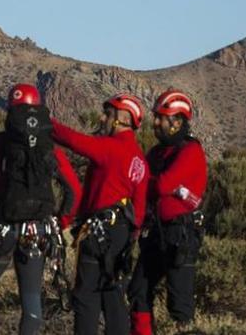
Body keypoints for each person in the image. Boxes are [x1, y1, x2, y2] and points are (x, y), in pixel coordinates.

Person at [0, 83, 82, 335]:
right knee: (31, 302)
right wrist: (60, 223)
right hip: (36, 232)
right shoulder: (50, 148)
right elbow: (75, 190)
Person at [51, 94, 149, 335]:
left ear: (121, 119)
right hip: (122, 235)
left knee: (86, 298)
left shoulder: (110, 148)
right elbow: (140, 208)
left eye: (108, 114)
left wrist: (43, 121)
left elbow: (73, 140)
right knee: (114, 296)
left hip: (98, 233)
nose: (102, 118)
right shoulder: (139, 160)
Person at [127, 89, 208, 335]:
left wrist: (147, 182)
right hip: (156, 232)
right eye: (157, 117)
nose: (157, 123)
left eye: (162, 117)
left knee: (179, 303)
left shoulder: (191, 151)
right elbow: (148, 185)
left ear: (177, 121)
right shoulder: (157, 152)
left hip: (181, 234)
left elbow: (160, 184)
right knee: (138, 291)